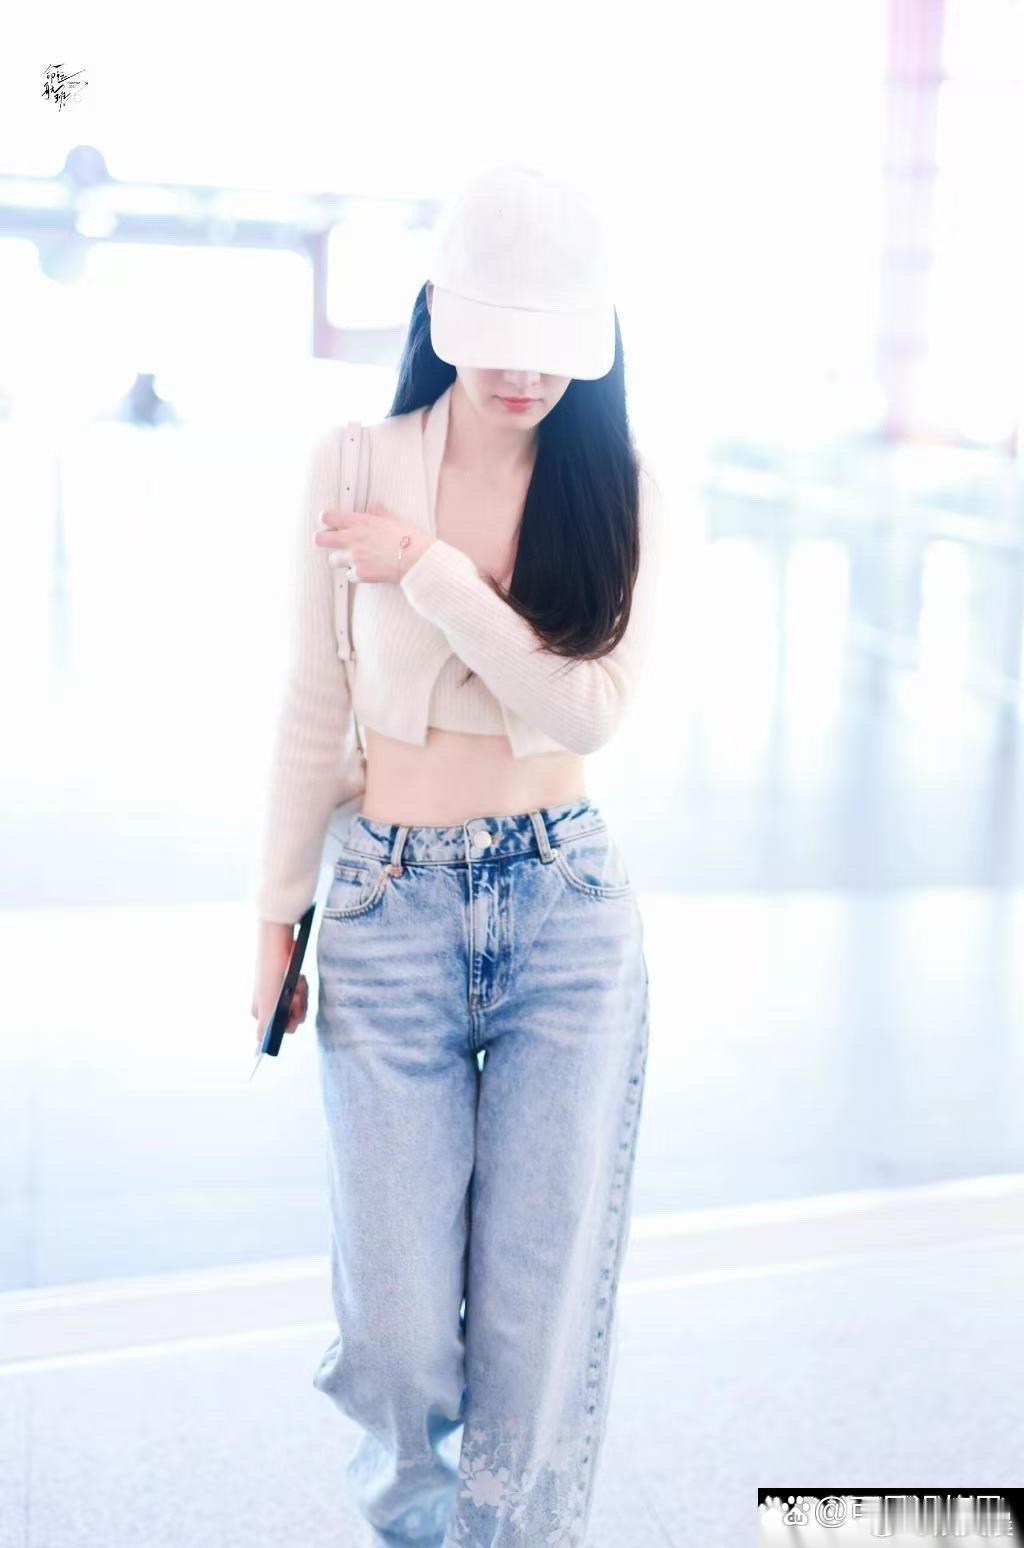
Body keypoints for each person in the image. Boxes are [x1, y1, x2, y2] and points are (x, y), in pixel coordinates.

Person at [250, 162, 667, 1548]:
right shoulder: (352, 464)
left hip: (567, 907)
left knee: (537, 1329)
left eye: (555, 346)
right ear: (438, 312)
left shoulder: (620, 487)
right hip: (389, 901)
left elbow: (586, 710)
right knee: (398, 1332)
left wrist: (427, 571)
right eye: (500, 337)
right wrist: (276, 918)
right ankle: (415, 1520)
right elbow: (313, 704)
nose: (525, 374)